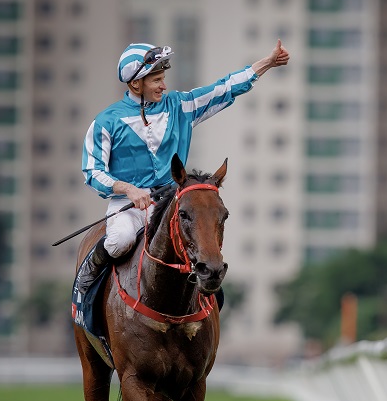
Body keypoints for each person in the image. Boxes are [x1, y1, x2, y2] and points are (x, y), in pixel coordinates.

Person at [74, 40, 291, 294]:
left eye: (163, 78)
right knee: (120, 240)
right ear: (135, 83)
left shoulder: (180, 106)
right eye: (156, 81)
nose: (163, 86)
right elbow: (93, 172)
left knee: (204, 245)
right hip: (129, 206)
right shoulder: (106, 122)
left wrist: (266, 62)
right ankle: (85, 284)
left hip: (173, 204)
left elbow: (224, 88)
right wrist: (129, 190)